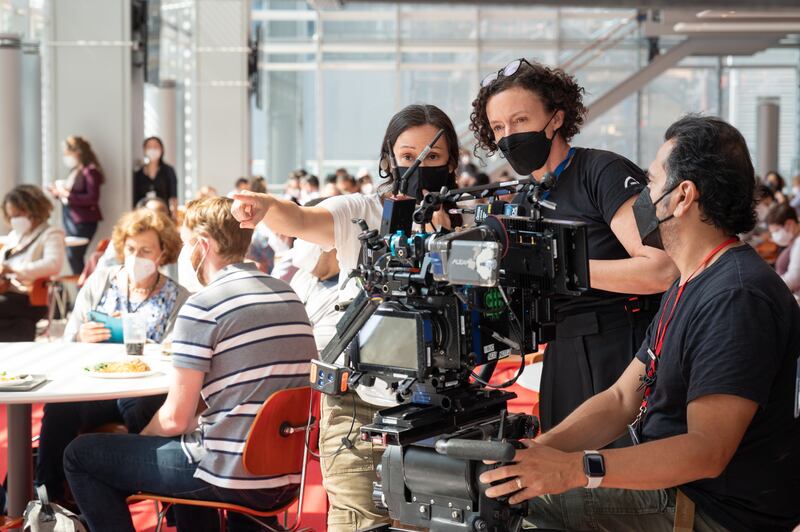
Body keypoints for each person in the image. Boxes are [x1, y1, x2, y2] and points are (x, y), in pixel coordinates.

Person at [480, 115, 800, 532]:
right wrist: (537, 451)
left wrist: (574, 470)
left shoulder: (736, 296)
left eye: (651, 182)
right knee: (500, 487)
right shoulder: (694, 281)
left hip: (712, 509)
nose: (645, 196)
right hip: (679, 490)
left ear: (683, 195)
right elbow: (620, 399)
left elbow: (707, 451)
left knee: (503, 509)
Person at [232, 103, 462, 531]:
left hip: (444, 402)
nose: (418, 165)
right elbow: (304, 219)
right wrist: (265, 205)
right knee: (358, 520)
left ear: (451, 162)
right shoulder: (364, 210)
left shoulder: (468, 222)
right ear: (388, 159)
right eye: (408, 155)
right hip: (358, 401)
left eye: (432, 157)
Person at [63, 197, 317, 532]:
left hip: (227, 473)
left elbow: (175, 419)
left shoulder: (204, 306)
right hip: (285, 472)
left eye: (185, 244)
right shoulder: (288, 296)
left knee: (80, 455)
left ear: (202, 245)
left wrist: (139, 445)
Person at [470, 58, 677, 439]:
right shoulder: (521, 197)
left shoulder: (605, 172)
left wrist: (557, 267)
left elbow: (663, 268)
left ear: (557, 117)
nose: (508, 135)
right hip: (559, 352)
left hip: (623, 346)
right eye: (498, 127)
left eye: (520, 120)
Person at [38, 209, 189, 504]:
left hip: (146, 388)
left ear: (163, 253)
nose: (136, 257)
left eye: (146, 250)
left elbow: (177, 353)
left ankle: (139, 486)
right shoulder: (101, 282)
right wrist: (82, 336)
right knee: (59, 409)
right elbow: (69, 336)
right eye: (131, 249)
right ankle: (48, 499)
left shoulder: (178, 297)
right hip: (97, 387)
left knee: (139, 404)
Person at [0, 185, 65, 341]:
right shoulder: (15, 235)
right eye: (11, 216)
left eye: (18, 213)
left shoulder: (51, 233)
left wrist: (13, 269)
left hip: (28, 297)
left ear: (34, 209)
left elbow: (53, 264)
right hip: (7, 292)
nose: (15, 219)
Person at [48, 135, 104, 274]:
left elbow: (92, 198)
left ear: (77, 152)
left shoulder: (90, 171)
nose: (65, 157)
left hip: (83, 222)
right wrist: (58, 192)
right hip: (70, 220)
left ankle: (83, 288)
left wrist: (67, 195)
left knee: (74, 255)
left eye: (67, 153)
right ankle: (82, 287)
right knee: (72, 255)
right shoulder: (75, 170)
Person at [133, 136, 179, 219]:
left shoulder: (168, 171)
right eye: (149, 147)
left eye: (155, 147)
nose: (152, 150)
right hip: (143, 215)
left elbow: (173, 196)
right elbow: (135, 198)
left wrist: (174, 215)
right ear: (144, 150)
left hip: (163, 214)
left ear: (162, 149)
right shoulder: (138, 173)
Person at [766, 202, 800, 299]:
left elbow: (794, 278)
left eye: (776, 231)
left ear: (789, 224)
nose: (774, 236)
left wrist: (769, 288)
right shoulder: (794, 239)